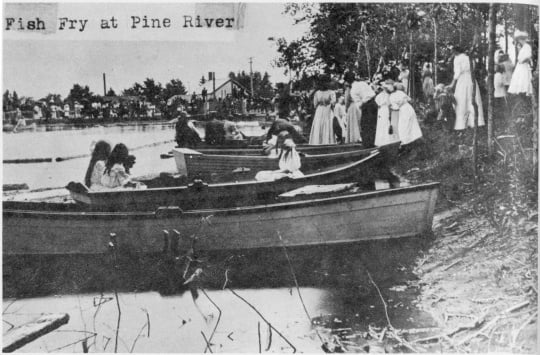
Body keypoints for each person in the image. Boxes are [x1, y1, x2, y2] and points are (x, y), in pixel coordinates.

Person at [447, 45, 485, 130]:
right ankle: (475, 122)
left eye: (452, 51)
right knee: (472, 99)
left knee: (461, 100)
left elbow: (457, 73)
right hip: (471, 80)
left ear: (455, 51)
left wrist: (452, 84)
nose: (452, 53)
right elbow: (473, 69)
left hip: (462, 80)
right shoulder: (469, 57)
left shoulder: (457, 59)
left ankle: (461, 124)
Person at [348, 74, 378, 147]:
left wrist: (363, 105)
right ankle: (373, 142)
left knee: (365, 125)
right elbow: (372, 92)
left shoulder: (353, 90)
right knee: (374, 124)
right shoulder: (363, 83)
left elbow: (359, 104)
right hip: (374, 103)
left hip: (366, 106)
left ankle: (368, 144)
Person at [309, 75, 336, 145]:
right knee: (327, 124)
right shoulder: (331, 92)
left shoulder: (317, 93)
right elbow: (333, 103)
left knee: (320, 124)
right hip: (328, 109)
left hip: (319, 110)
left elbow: (315, 105)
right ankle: (327, 141)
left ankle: (319, 141)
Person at [374, 79, 401, 147]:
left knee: (385, 124)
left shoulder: (382, 96)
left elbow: (378, 102)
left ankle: (384, 140)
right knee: (384, 123)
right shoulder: (386, 96)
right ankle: (386, 140)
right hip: (384, 110)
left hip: (382, 110)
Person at [508, 31, 533, 96]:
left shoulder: (527, 46)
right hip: (520, 66)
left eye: (520, 39)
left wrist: (522, 60)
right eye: (519, 39)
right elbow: (520, 58)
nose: (519, 41)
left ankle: (524, 93)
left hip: (524, 66)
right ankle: (521, 94)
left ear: (523, 39)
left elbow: (529, 56)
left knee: (524, 80)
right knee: (519, 80)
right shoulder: (522, 47)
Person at [343, 72, 362, 144]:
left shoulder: (348, 88)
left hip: (352, 106)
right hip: (359, 105)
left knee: (353, 123)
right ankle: (359, 137)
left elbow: (347, 99)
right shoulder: (358, 86)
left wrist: (346, 108)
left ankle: (353, 138)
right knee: (358, 122)